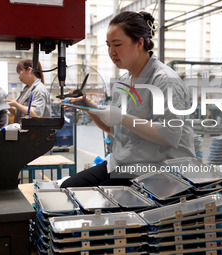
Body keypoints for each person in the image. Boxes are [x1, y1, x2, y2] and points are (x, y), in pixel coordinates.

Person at [60, 11, 195, 188]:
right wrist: (91, 109)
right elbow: (116, 130)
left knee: (95, 200)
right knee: (68, 189)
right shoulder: (123, 82)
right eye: (108, 46)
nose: (111, 52)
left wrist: (123, 118)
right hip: (123, 164)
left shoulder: (164, 80)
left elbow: (169, 134)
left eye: (117, 45)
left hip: (159, 169)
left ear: (139, 43)